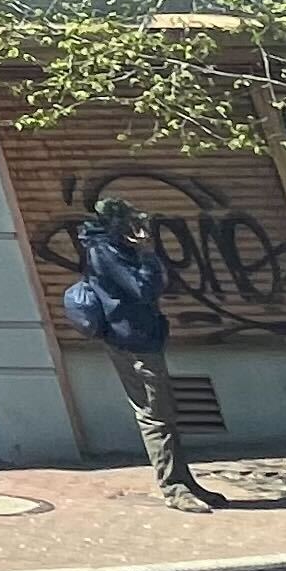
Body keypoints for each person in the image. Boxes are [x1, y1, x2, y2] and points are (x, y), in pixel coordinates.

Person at [62, 202, 216, 509]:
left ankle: (185, 482)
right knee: (154, 416)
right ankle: (174, 489)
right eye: (131, 222)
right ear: (117, 223)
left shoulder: (112, 248)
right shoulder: (104, 252)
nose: (138, 228)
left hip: (143, 336)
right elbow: (143, 289)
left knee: (164, 414)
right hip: (130, 340)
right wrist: (146, 252)